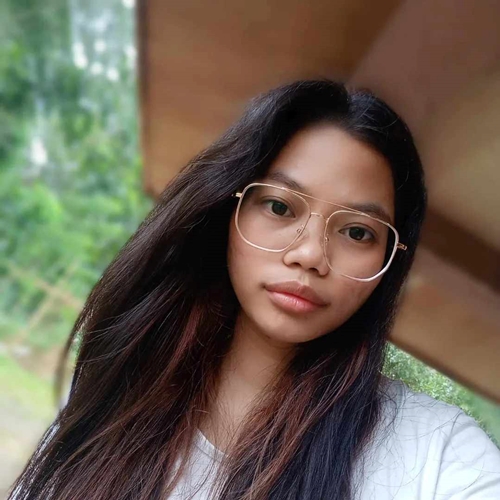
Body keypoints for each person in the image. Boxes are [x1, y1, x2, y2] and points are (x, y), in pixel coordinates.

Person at [9, 80, 500, 500]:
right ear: (229, 207)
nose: (309, 254)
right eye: (280, 207)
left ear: (389, 261)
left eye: (357, 232)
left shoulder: (437, 453)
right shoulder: (126, 387)